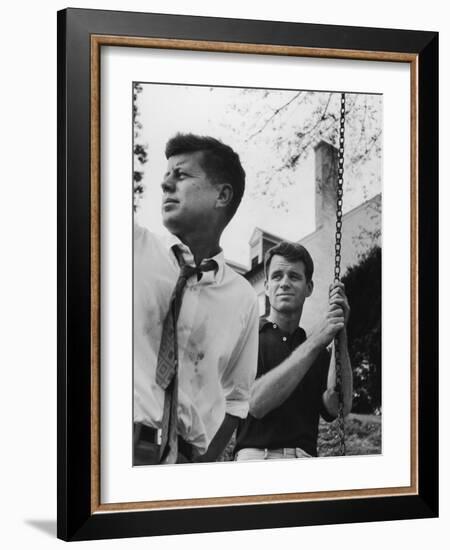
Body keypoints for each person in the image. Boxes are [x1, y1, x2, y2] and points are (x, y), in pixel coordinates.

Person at [134, 133, 259, 465]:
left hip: (188, 465)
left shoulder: (243, 297)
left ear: (222, 195)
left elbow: (237, 400)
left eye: (181, 175)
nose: (166, 185)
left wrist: (202, 467)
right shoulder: (128, 248)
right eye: (165, 177)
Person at [234, 241, 353, 461]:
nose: (285, 283)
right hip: (257, 460)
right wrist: (317, 340)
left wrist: (340, 332)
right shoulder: (248, 337)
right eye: (277, 276)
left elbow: (338, 407)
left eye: (294, 277)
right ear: (267, 287)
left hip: (304, 462)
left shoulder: (316, 350)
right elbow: (256, 403)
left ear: (309, 288)